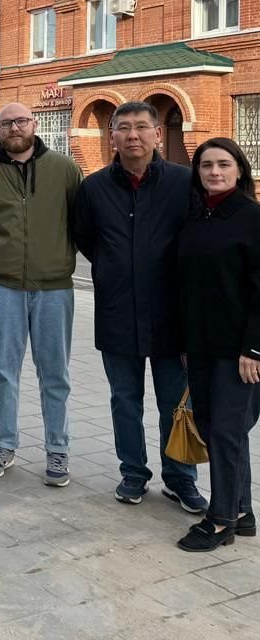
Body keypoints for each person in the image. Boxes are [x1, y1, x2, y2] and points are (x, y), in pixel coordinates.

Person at [75, 102, 206, 512]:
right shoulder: (93, 188)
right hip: (117, 312)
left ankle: (180, 478)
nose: (133, 135)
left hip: (172, 316)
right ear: (112, 135)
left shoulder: (184, 183)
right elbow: (86, 240)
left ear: (156, 133)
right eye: (123, 128)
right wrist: (117, 268)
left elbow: (198, 243)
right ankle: (133, 472)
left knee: (176, 401)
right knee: (124, 400)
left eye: (141, 127)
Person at [0, 103, 81, 486]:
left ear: (34, 124)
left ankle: (58, 450)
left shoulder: (65, 170)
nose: (14, 128)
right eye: (6, 123)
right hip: (2, 287)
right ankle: (4, 444)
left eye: (21, 121)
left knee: (55, 374)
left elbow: (78, 221)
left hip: (54, 288)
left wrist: (55, 256)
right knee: (3, 370)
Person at [175, 137, 260, 552]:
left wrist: (254, 349)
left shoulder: (251, 218)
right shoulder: (198, 218)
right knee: (215, 429)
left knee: (227, 430)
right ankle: (242, 511)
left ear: (239, 169)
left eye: (223, 164)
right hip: (202, 346)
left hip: (239, 351)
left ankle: (220, 519)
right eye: (206, 165)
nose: (214, 171)